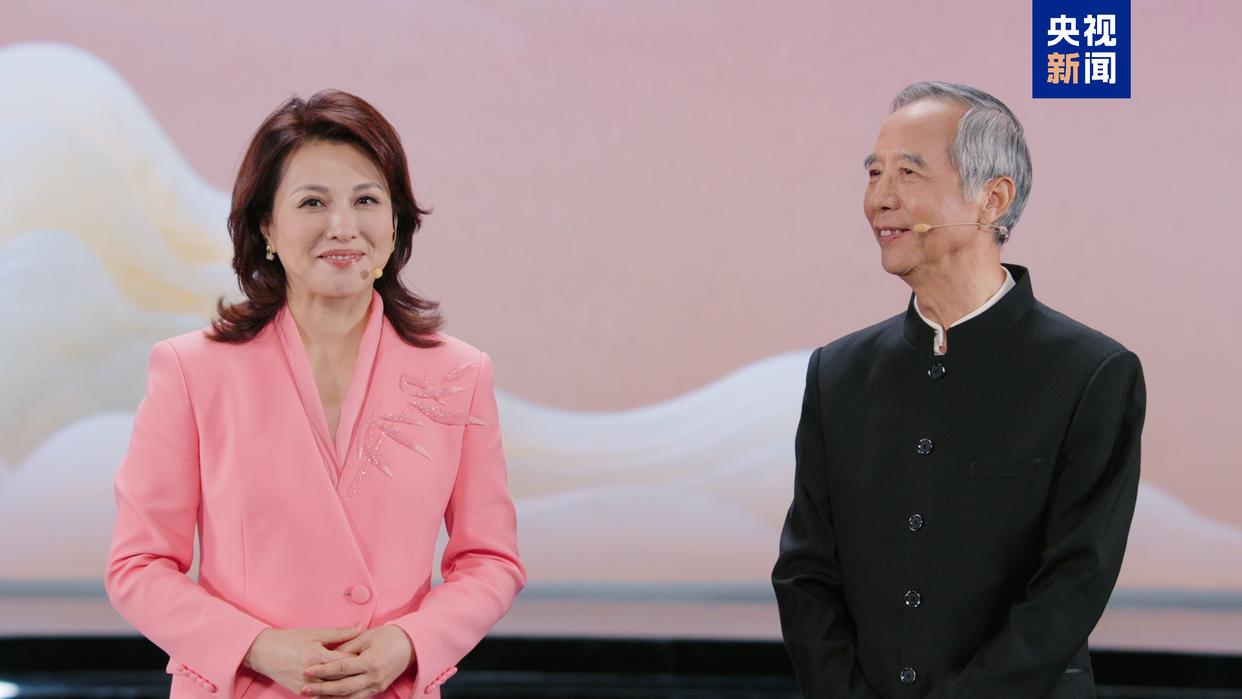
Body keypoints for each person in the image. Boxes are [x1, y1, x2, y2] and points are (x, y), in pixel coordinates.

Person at [105, 90, 525, 698]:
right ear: (266, 226)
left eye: (366, 200)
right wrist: (255, 647)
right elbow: (137, 566)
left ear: (396, 223)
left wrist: (409, 643)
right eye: (312, 202)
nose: (343, 226)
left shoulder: (458, 374)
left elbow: (490, 560)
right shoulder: (192, 370)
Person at [771, 81, 1145, 698]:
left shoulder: (1091, 373)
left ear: (992, 199)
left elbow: (1073, 583)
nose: (880, 199)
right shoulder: (837, 373)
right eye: (874, 173)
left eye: (908, 173)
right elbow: (805, 572)